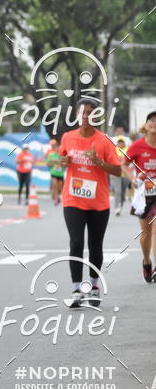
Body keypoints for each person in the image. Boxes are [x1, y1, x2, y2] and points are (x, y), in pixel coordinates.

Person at [59, 98, 121, 307]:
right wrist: (63, 162)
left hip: (98, 202)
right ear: (77, 115)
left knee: (95, 245)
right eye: (82, 113)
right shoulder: (68, 137)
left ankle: (94, 286)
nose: (86, 116)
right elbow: (61, 160)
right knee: (76, 243)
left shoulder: (103, 140)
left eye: (90, 113)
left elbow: (118, 171)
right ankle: (76, 289)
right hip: (73, 199)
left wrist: (98, 162)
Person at [122, 112, 156, 282]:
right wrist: (133, 178)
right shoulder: (137, 146)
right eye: (151, 120)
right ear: (146, 125)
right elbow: (124, 164)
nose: (154, 123)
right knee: (146, 233)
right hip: (145, 195)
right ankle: (147, 261)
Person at [111, 136, 130, 216]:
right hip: (116, 173)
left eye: (122, 142)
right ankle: (117, 207)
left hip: (125, 173)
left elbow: (130, 160)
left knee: (123, 192)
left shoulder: (128, 150)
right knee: (118, 191)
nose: (120, 144)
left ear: (124, 143)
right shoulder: (114, 150)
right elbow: (111, 161)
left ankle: (121, 205)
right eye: (119, 142)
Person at [45, 138, 64, 205]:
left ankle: (57, 196)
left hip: (61, 173)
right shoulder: (51, 154)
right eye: (55, 147)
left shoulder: (62, 155)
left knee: (59, 187)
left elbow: (65, 164)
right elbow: (47, 163)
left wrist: (60, 164)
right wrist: (54, 163)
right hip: (53, 172)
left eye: (58, 147)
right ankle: (56, 198)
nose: (57, 148)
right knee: (54, 184)